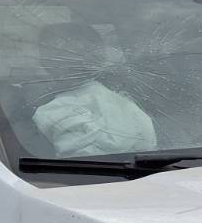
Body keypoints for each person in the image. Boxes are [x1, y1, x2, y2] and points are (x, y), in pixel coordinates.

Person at [30, 22, 156, 157]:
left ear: (46, 61)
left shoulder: (55, 111)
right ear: (100, 58)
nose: (42, 56)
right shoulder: (127, 103)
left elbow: (80, 165)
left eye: (47, 50)